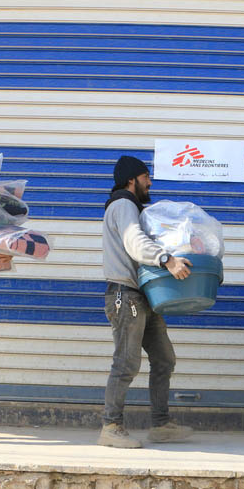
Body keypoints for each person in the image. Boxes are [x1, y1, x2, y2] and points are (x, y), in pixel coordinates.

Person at [99, 155, 195, 448]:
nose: (149, 182)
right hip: (125, 295)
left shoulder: (130, 206)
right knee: (125, 363)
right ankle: (110, 426)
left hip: (142, 297)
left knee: (164, 358)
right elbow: (135, 242)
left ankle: (161, 424)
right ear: (132, 180)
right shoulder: (123, 204)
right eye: (145, 177)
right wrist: (166, 260)